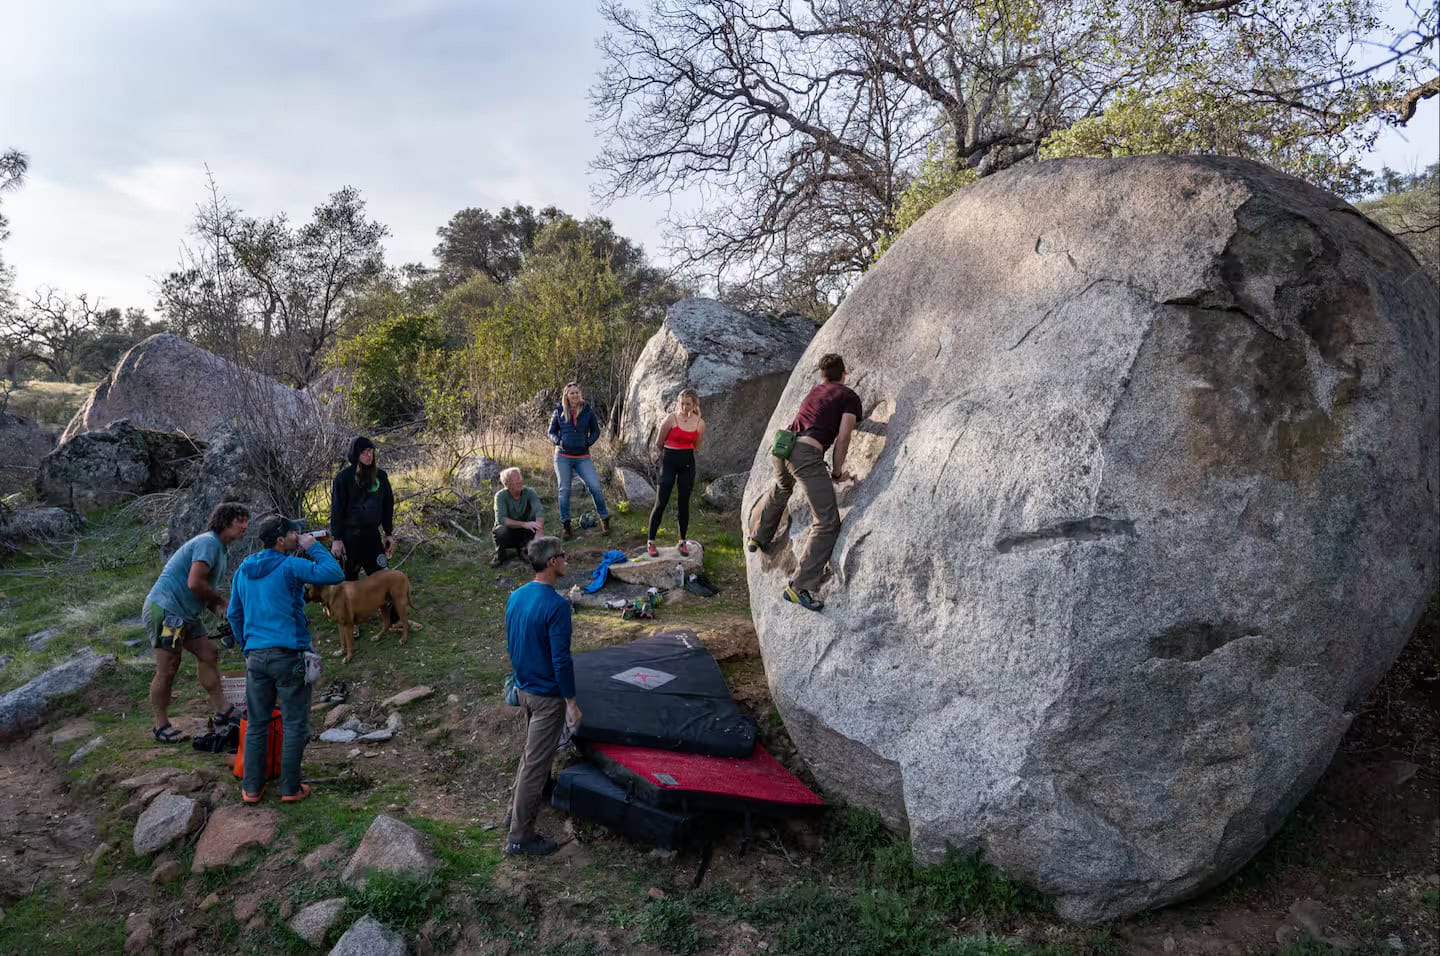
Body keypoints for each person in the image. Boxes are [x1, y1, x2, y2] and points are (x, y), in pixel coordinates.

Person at [227, 515, 344, 804]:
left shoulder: (244, 569)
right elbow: (333, 573)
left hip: (256, 657)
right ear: (280, 540)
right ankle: (290, 788)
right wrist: (313, 546)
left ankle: (252, 788)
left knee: (257, 723)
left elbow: (234, 614)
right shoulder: (290, 565)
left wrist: (248, 647)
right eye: (293, 532)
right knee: (294, 723)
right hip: (289, 655)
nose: (297, 535)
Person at [748, 353, 863, 613]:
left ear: (822, 376)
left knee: (782, 488)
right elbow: (844, 437)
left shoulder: (816, 391)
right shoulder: (848, 397)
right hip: (806, 455)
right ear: (844, 373)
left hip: (782, 448)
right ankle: (799, 587)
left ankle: (757, 537)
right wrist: (836, 472)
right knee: (826, 521)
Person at [143, 502, 251, 743]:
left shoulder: (221, 549)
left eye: (246, 521)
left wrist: (221, 610)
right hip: (168, 611)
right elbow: (195, 584)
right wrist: (221, 601)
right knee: (168, 666)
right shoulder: (208, 543)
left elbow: (203, 590)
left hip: (186, 614)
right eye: (240, 521)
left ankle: (223, 709)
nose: (245, 526)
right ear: (225, 522)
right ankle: (160, 724)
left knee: (209, 654)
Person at [504, 536, 582, 856]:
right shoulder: (557, 606)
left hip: (523, 688)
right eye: (563, 556)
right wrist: (571, 704)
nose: (566, 560)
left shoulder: (516, 597)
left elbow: (513, 642)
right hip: (546, 696)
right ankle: (519, 837)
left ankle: (514, 813)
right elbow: (561, 660)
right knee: (536, 764)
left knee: (530, 757)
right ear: (552, 563)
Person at [646, 387, 705, 557]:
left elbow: (697, 446)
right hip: (668, 459)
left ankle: (682, 541)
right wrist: (665, 458)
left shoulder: (700, 423)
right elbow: (659, 442)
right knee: (661, 501)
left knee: (683, 502)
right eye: (682, 403)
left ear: (694, 405)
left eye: (688, 404)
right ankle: (651, 541)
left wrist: (684, 451)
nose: (684, 407)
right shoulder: (671, 419)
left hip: (687, 462)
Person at [547, 382, 610, 539]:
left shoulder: (587, 410)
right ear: (566, 395)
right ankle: (566, 526)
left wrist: (588, 442)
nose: (574, 395)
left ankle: (605, 520)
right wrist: (558, 441)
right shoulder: (559, 410)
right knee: (564, 490)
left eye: (576, 392)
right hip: (563, 456)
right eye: (571, 393)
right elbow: (551, 432)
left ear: (580, 394)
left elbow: (596, 430)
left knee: (595, 486)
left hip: (582, 457)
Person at [329, 436, 395, 581]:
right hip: (350, 538)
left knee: (382, 579)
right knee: (347, 581)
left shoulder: (381, 477)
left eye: (371, 451)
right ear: (356, 454)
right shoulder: (343, 478)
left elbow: (387, 506)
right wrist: (337, 538)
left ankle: (385, 604)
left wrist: (388, 533)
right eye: (364, 452)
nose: (369, 455)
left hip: (372, 537)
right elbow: (337, 509)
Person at [491, 467, 545, 567]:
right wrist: (524, 524)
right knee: (500, 531)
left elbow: (539, 510)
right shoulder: (500, 496)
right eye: (515, 479)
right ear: (506, 484)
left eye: (519, 478)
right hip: (510, 531)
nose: (519, 481)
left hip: (526, 531)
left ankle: (524, 549)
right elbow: (501, 519)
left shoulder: (530, 492)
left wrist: (539, 532)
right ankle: (500, 554)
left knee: (536, 530)